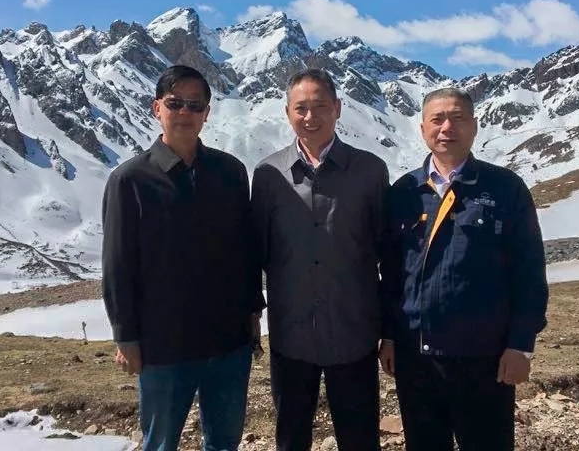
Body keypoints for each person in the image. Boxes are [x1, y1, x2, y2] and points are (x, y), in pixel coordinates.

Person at [101, 65, 265, 451]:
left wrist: (253, 312)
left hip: (229, 341)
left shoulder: (230, 172)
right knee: (161, 444)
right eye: (175, 103)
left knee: (224, 443)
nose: (185, 113)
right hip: (164, 345)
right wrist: (126, 337)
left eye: (195, 105)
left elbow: (245, 250)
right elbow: (118, 265)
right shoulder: (129, 181)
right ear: (157, 107)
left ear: (207, 113)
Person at [378, 87, 549, 451]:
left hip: (484, 359)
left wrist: (521, 345)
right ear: (422, 128)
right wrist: (389, 336)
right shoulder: (403, 192)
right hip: (417, 358)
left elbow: (529, 273)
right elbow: (392, 274)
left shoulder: (506, 189)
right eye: (437, 119)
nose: (447, 128)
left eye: (457, 118)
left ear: (474, 126)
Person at [251, 68, 389, 451]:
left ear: (338, 109)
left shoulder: (370, 171)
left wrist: (390, 330)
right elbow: (256, 252)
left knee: (360, 440)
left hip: (353, 333)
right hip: (291, 336)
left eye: (320, 107)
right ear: (287, 112)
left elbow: (388, 253)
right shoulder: (268, 175)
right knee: (291, 439)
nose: (310, 117)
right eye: (301, 108)